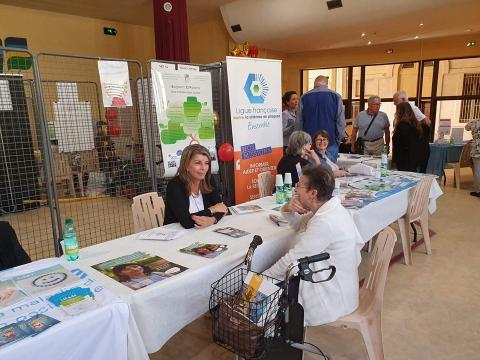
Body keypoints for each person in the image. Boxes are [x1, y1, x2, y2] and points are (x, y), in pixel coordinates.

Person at [263, 165, 363, 325]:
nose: (296, 189)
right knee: (271, 280)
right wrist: (287, 209)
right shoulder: (327, 210)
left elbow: (292, 260)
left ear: (313, 193)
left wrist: (259, 280)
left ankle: (277, 338)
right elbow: (299, 225)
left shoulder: (325, 222)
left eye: (299, 186)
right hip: (338, 283)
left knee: (267, 291)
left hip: (330, 295)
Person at [164, 144, 227, 229]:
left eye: (206, 163)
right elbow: (186, 222)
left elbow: (221, 208)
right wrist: (212, 210)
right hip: (176, 235)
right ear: (186, 165)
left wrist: (212, 220)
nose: (203, 168)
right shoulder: (175, 185)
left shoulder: (208, 179)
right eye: (198, 163)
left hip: (201, 232)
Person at [296, 75, 345, 160]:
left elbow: (299, 122)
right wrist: (338, 140)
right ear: (326, 85)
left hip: (309, 143)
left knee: (310, 171)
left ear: (314, 85)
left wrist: (300, 142)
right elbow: (340, 122)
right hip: (330, 141)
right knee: (330, 170)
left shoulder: (304, 97)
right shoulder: (336, 97)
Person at [392, 102, 423, 171]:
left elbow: (403, 143)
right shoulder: (415, 124)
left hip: (404, 158)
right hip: (414, 157)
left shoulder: (402, 125)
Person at [465, 118, 480, 197]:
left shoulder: (474, 121)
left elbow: (466, 128)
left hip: (477, 151)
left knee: (477, 171)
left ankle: (478, 191)